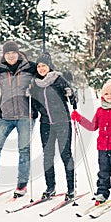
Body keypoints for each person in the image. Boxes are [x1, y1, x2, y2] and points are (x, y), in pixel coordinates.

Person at [0, 40, 37, 198]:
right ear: (4, 55)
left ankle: (22, 184)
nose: (11, 56)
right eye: (8, 53)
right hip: (5, 115)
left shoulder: (30, 67)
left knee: (24, 150)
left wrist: (36, 83)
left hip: (26, 115)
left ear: (18, 53)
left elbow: (46, 76)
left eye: (13, 53)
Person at [71, 80, 111, 206]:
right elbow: (92, 126)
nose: (109, 96)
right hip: (102, 147)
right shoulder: (100, 110)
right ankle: (102, 193)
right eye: (106, 93)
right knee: (103, 171)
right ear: (102, 95)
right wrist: (79, 118)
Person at [30, 52, 77, 201]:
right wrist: (31, 108)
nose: (41, 68)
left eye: (44, 65)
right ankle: (50, 187)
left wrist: (71, 95)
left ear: (49, 66)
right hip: (45, 125)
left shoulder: (58, 79)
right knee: (48, 157)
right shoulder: (35, 84)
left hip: (62, 122)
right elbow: (35, 105)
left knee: (65, 155)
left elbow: (72, 97)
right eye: (39, 66)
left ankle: (71, 188)